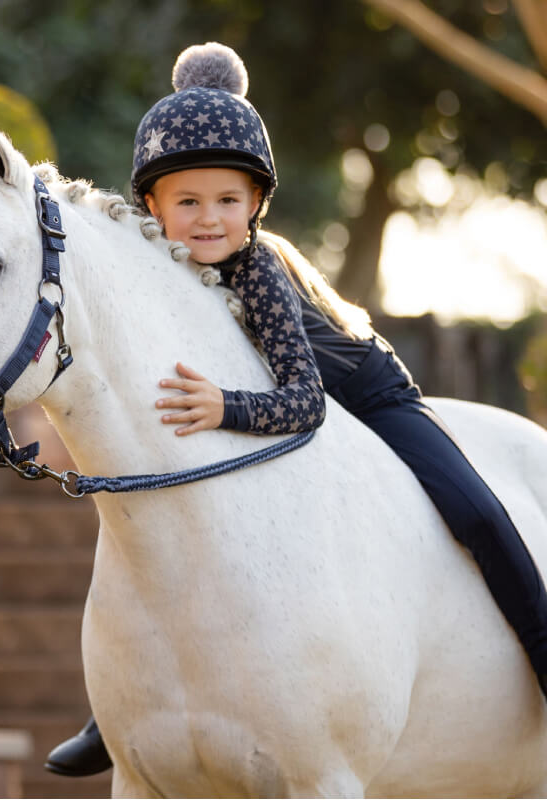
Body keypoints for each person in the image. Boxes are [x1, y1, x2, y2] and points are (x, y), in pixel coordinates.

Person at [44, 41, 547, 778]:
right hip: (278, 405)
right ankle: (116, 712)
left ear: (256, 205)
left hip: (365, 397)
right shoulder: (158, 278)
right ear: (151, 205)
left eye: (228, 201)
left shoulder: (258, 269)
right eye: (188, 201)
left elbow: (305, 401)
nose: (209, 220)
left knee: (474, 510)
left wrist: (222, 405)